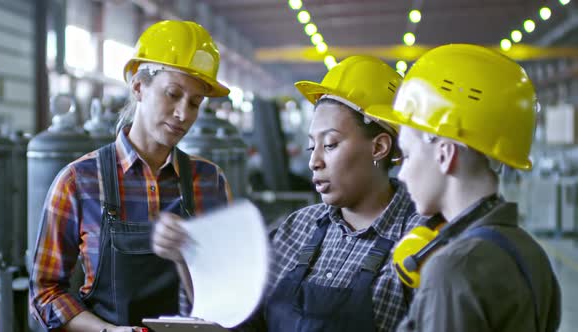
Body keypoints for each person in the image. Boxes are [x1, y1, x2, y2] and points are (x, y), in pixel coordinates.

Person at [29, 20, 232, 332]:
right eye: (173, 94)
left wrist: (186, 258)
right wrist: (107, 331)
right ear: (138, 87)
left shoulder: (209, 181)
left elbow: (226, 293)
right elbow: (44, 294)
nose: (183, 114)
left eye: (194, 103)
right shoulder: (79, 181)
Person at [365, 44, 561, 331]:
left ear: (444, 154)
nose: (402, 173)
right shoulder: (531, 253)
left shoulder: (452, 270)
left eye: (407, 155)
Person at [221, 55, 421, 331]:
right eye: (311, 145)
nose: (314, 161)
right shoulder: (297, 228)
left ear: (379, 148)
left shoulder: (420, 241)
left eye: (330, 144)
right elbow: (244, 318)